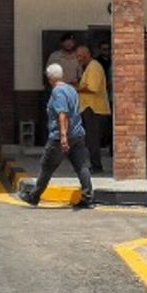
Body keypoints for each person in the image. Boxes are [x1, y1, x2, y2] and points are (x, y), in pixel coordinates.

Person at [22, 63, 95, 209]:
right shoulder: (71, 89)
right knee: (82, 166)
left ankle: (34, 196)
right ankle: (88, 198)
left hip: (60, 137)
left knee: (47, 166)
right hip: (78, 134)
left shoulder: (58, 92)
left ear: (49, 78)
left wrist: (63, 137)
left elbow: (63, 114)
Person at [75, 45, 110, 173]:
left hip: (95, 109)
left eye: (80, 56)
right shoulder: (89, 67)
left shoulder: (94, 67)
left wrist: (77, 88)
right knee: (90, 139)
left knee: (93, 140)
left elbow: (93, 88)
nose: (78, 59)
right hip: (89, 108)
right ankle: (94, 164)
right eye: (77, 56)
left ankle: (96, 166)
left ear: (87, 54)